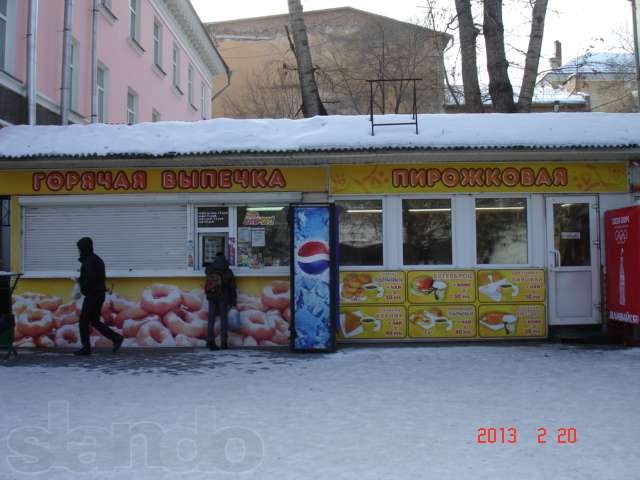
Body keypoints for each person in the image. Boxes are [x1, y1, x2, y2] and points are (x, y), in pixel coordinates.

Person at [74, 237, 123, 356]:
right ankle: (116, 338)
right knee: (94, 321)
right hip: (99, 294)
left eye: (79, 248)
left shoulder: (89, 261)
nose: (79, 251)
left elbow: (90, 279)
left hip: (93, 294)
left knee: (83, 320)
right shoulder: (96, 259)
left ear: (84, 248)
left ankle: (86, 348)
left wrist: (81, 282)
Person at [205, 252, 237, 350]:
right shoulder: (228, 271)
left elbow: (207, 276)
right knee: (224, 319)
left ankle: (210, 341)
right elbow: (232, 288)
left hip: (212, 297)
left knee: (211, 319)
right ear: (224, 258)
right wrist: (233, 301)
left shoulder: (210, 269)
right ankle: (223, 342)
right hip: (223, 297)